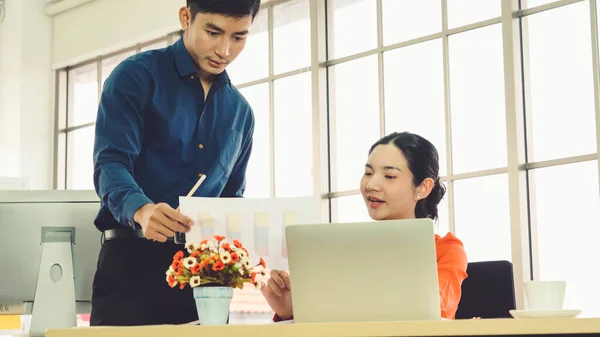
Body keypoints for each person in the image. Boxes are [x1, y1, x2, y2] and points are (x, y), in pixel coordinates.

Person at [90, 0, 261, 326]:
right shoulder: (135, 77)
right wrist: (142, 210)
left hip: (205, 278)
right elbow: (110, 163)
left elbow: (231, 200)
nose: (224, 49)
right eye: (213, 32)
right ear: (186, 18)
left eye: (239, 37)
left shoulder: (241, 113)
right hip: (131, 267)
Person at [261, 132, 469, 321]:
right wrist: (290, 311)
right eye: (368, 173)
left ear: (422, 188)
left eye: (389, 176)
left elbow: (434, 311)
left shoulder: (447, 250)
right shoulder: (343, 250)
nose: (371, 185)